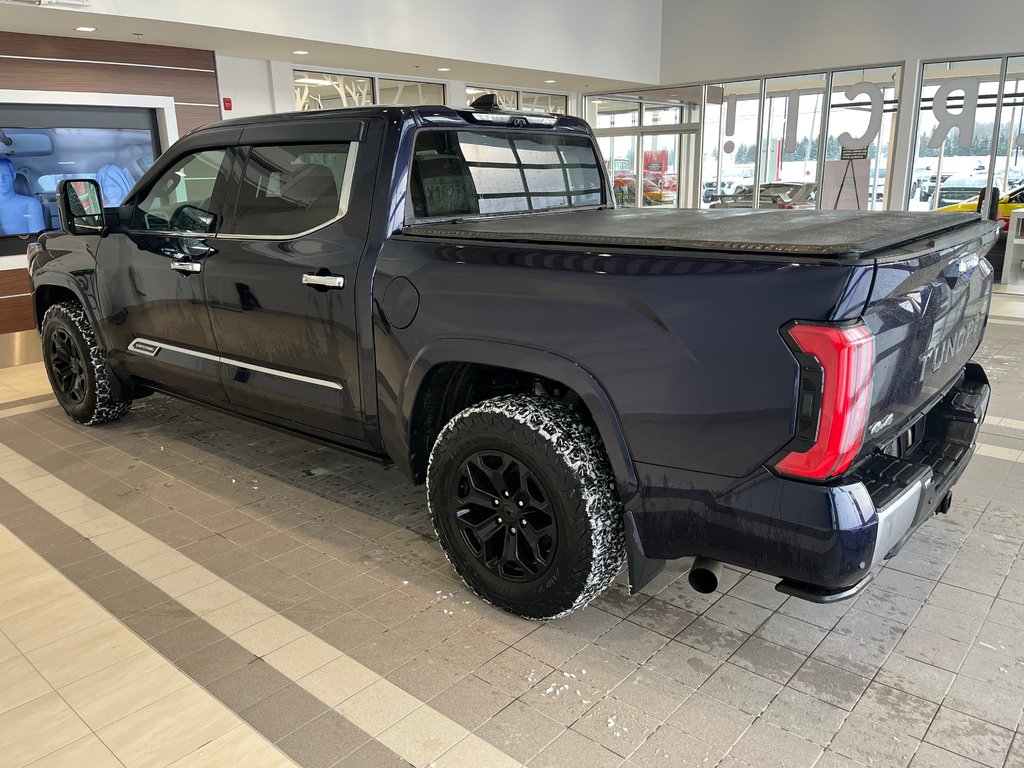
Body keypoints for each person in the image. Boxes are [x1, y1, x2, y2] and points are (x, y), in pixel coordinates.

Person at [0, 157, 45, 235]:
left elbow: (37, 240)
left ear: (13, 176)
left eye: (6, 176)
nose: (1, 180)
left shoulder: (30, 204)